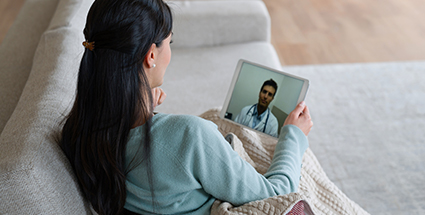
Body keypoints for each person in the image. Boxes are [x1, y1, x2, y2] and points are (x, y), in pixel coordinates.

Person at [60, 0, 313, 214]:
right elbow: (277, 196)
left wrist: (141, 110)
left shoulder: (78, 133)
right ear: (150, 55)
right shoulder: (190, 136)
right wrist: (294, 137)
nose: (169, 51)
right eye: (169, 43)